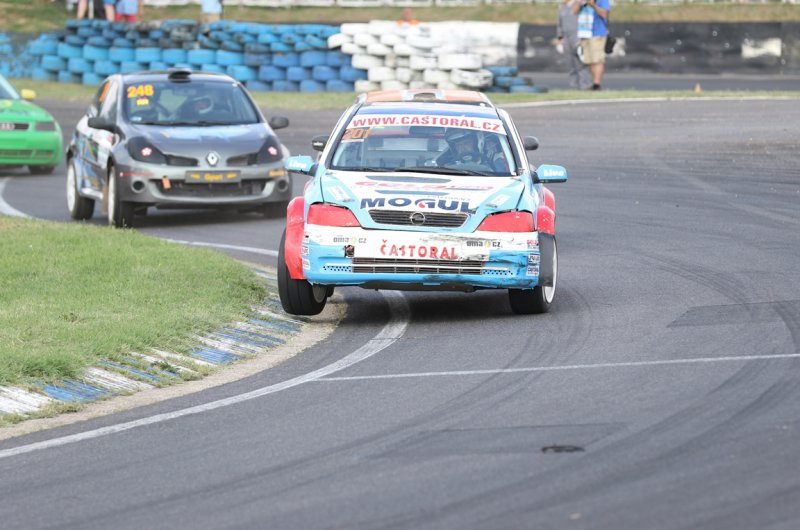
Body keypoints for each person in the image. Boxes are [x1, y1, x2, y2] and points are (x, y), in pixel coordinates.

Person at [554, 0, 591, 90]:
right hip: (566, 37)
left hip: (578, 35)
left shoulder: (581, 4)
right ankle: (574, 86)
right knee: (570, 64)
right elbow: (560, 23)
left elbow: (585, 18)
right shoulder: (562, 7)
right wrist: (560, 37)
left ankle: (585, 85)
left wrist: (583, 37)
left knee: (581, 63)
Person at [574, 0, 610, 90]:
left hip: (598, 33)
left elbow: (605, 14)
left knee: (597, 59)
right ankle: (593, 83)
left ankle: (597, 84)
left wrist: (593, 5)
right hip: (585, 32)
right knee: (589, 60)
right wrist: (579, 2)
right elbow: (574, 11)